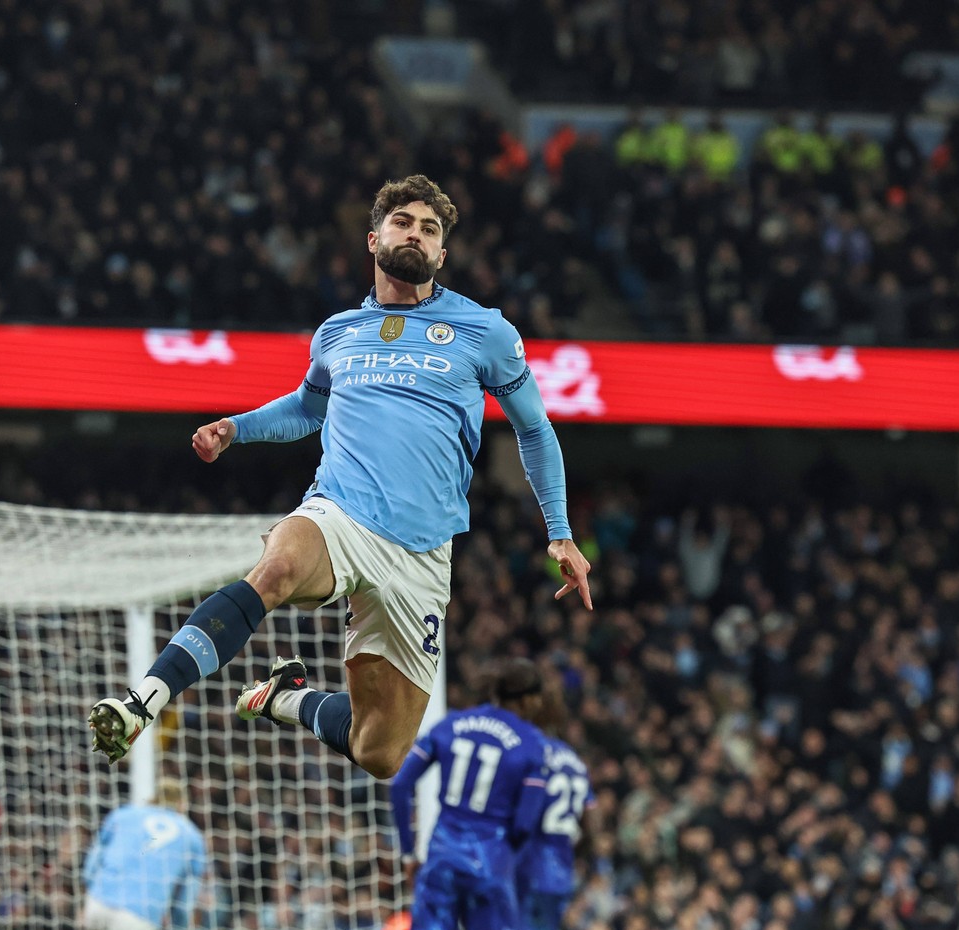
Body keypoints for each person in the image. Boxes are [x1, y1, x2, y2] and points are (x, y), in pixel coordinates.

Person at [90, 174, 593, 779]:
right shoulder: (337, 333)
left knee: (380, 751)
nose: (416, 235)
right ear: (374, 237)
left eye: (429, 230)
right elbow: (307, 408)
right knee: (275, 569)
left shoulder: (484, 331)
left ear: (442, 254)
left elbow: (534, 430)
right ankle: (144, 699)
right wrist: (237, 429)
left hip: (423, 551)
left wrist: (560, 531)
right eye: (404, 223)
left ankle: (285, 696)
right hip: (340, 512)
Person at [388, 658, 551, 930]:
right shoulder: (532, 743)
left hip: (442, 860)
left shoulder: (451, 724)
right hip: (490, 866)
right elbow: (525, 824)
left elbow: (400, 785)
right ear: (528, 700)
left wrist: (408, 853)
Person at [80, 779, 208, 930]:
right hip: (139, 917)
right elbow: (186, 898)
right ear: (182, 804)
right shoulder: (191, 836)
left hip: (98, 904)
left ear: (153, 798)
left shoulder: (123, 814)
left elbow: (92, 864)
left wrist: (88, 896)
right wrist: (178, 927)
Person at [514, 694, 594, 930]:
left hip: (529, 865)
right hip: (561, 872)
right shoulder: (575, 761)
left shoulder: (532, 752)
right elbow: (591, 822)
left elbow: (522, 814)